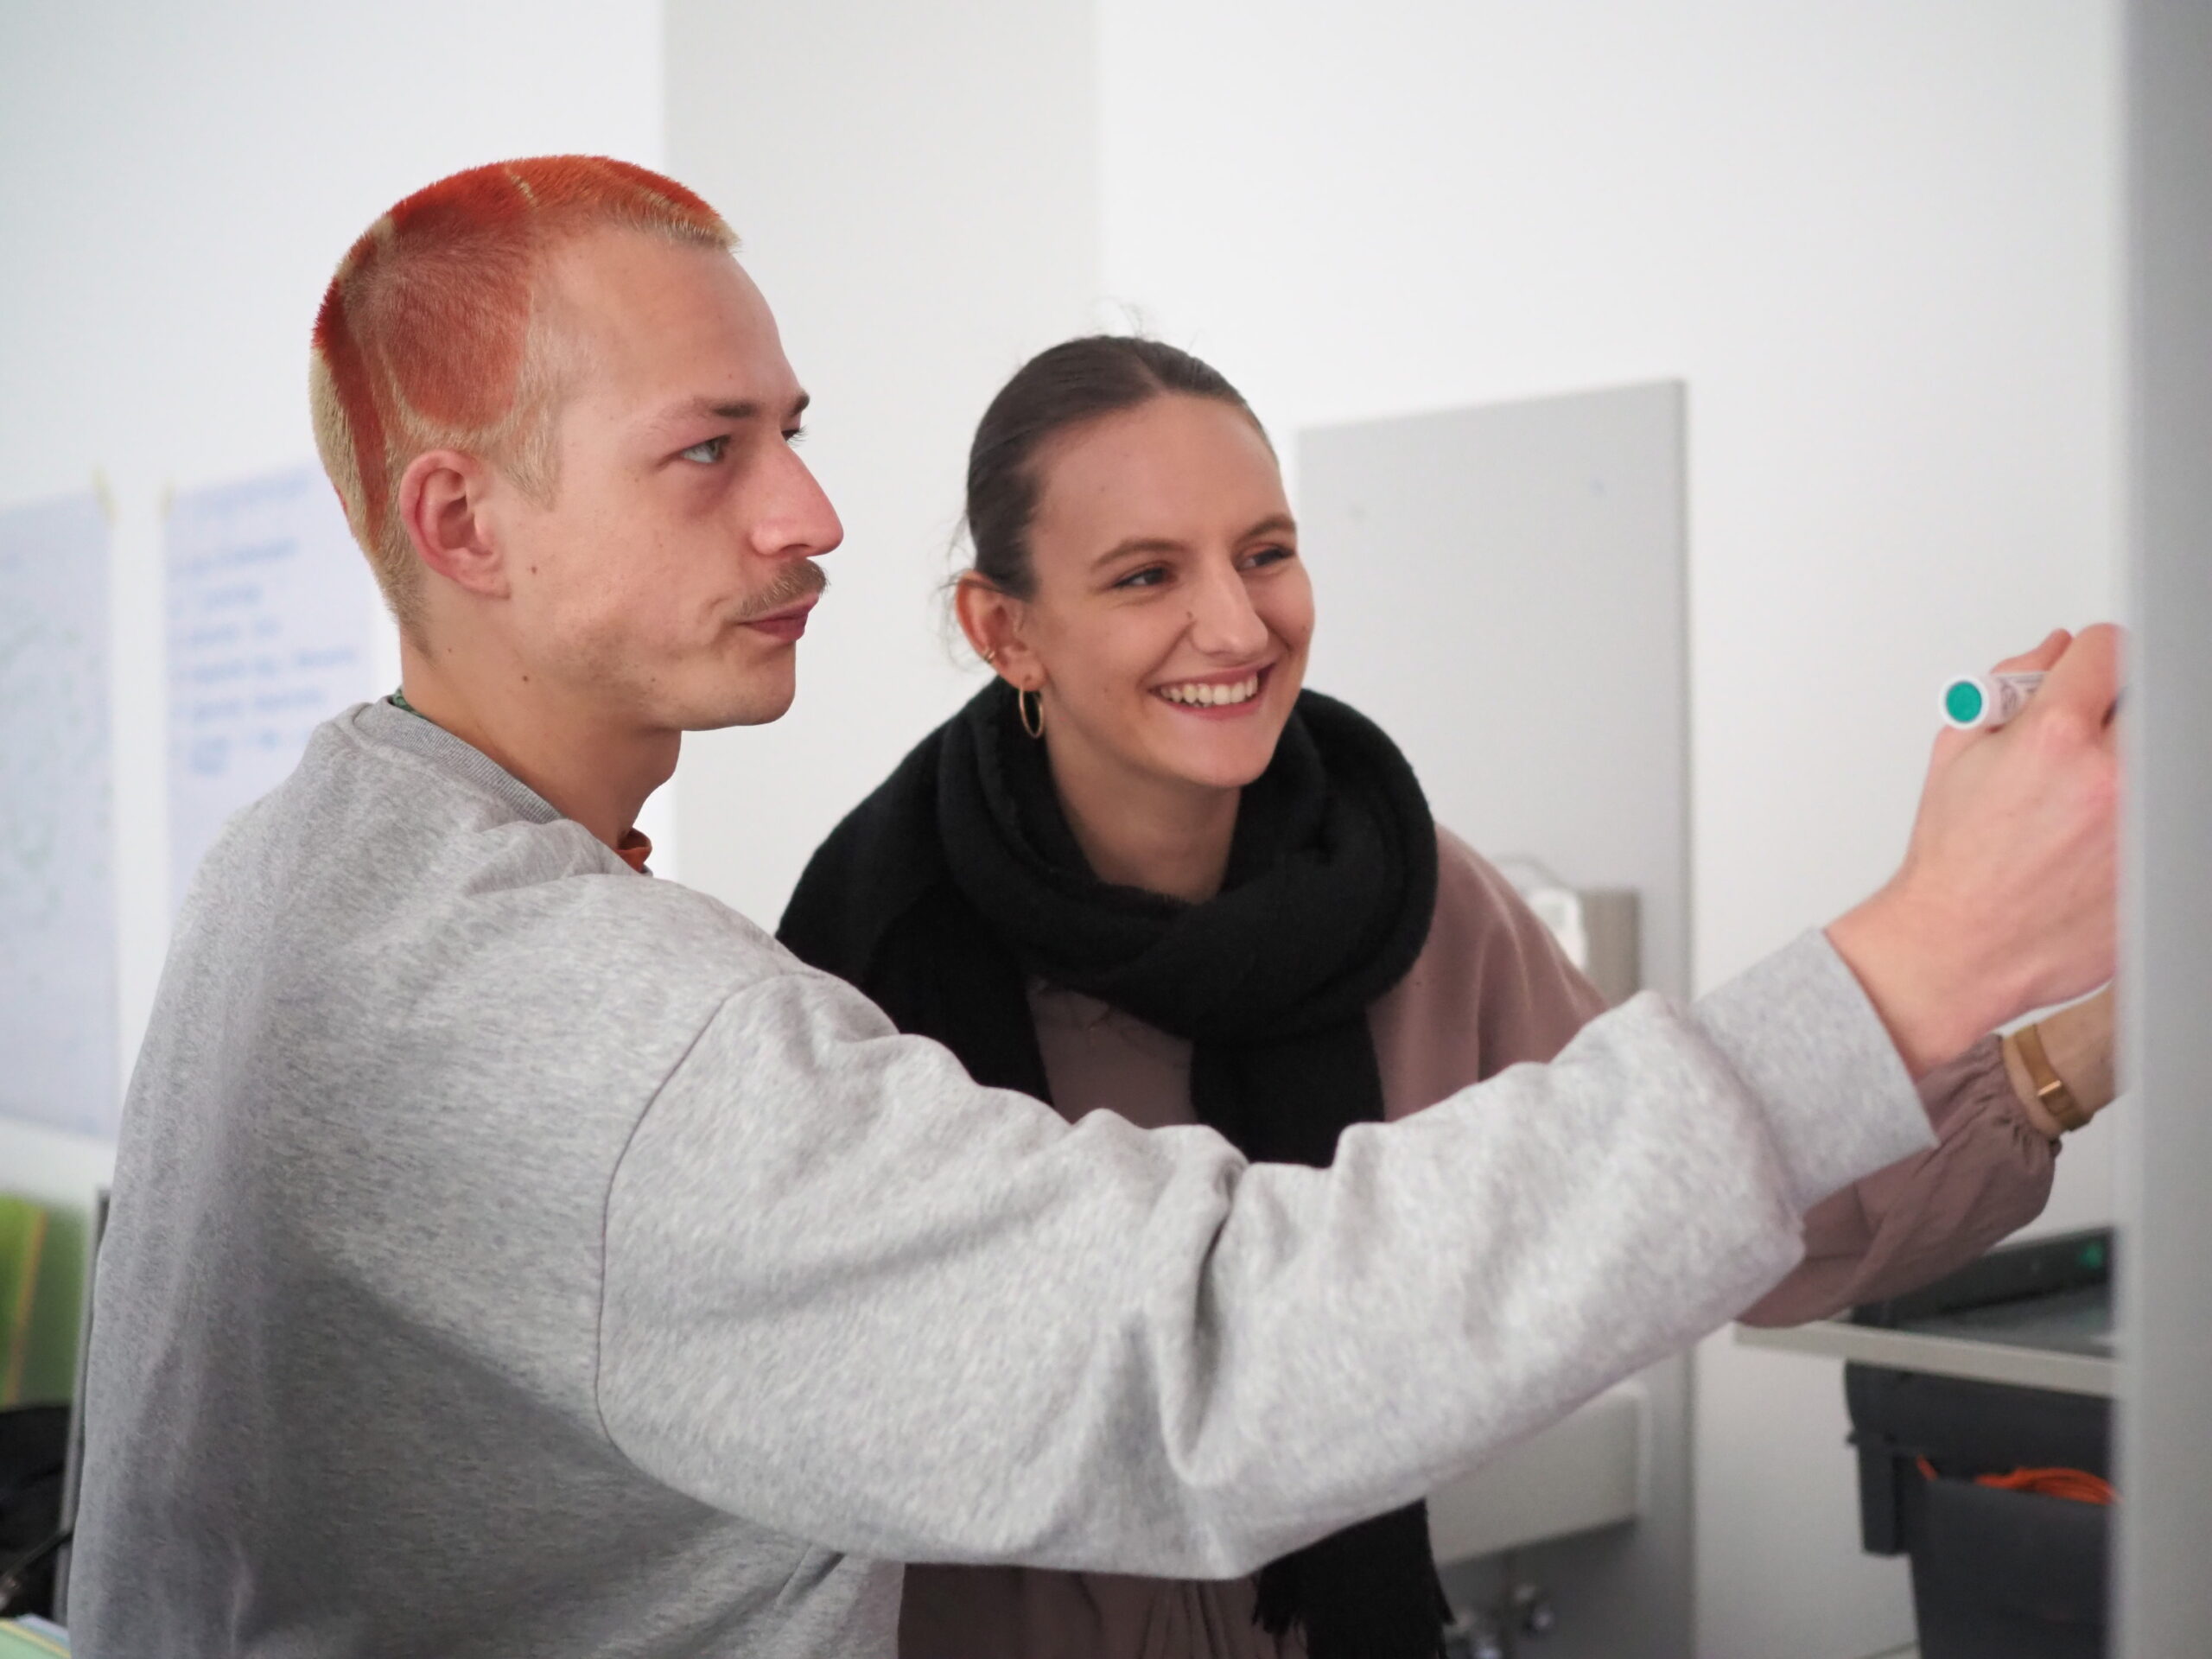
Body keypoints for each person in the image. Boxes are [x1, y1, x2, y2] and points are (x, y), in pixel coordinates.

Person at [68, 158, 2120, 1659]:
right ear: (1004, 634)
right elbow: (1208, 1354)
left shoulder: (321, 860)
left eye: (793, 434)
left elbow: (1710, 1232)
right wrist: (1922, 952)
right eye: (708, 452)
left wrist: (2026, 1050)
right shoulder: (666, 1007)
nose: (809, 514)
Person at [776, 336, 2120, 1659]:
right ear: (1004, 629)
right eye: (1146, 574)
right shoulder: (866, 967)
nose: (1241, 627)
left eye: (1267, 552)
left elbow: (1737, 1207)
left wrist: (2103, 1029)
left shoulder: (1420, 904)